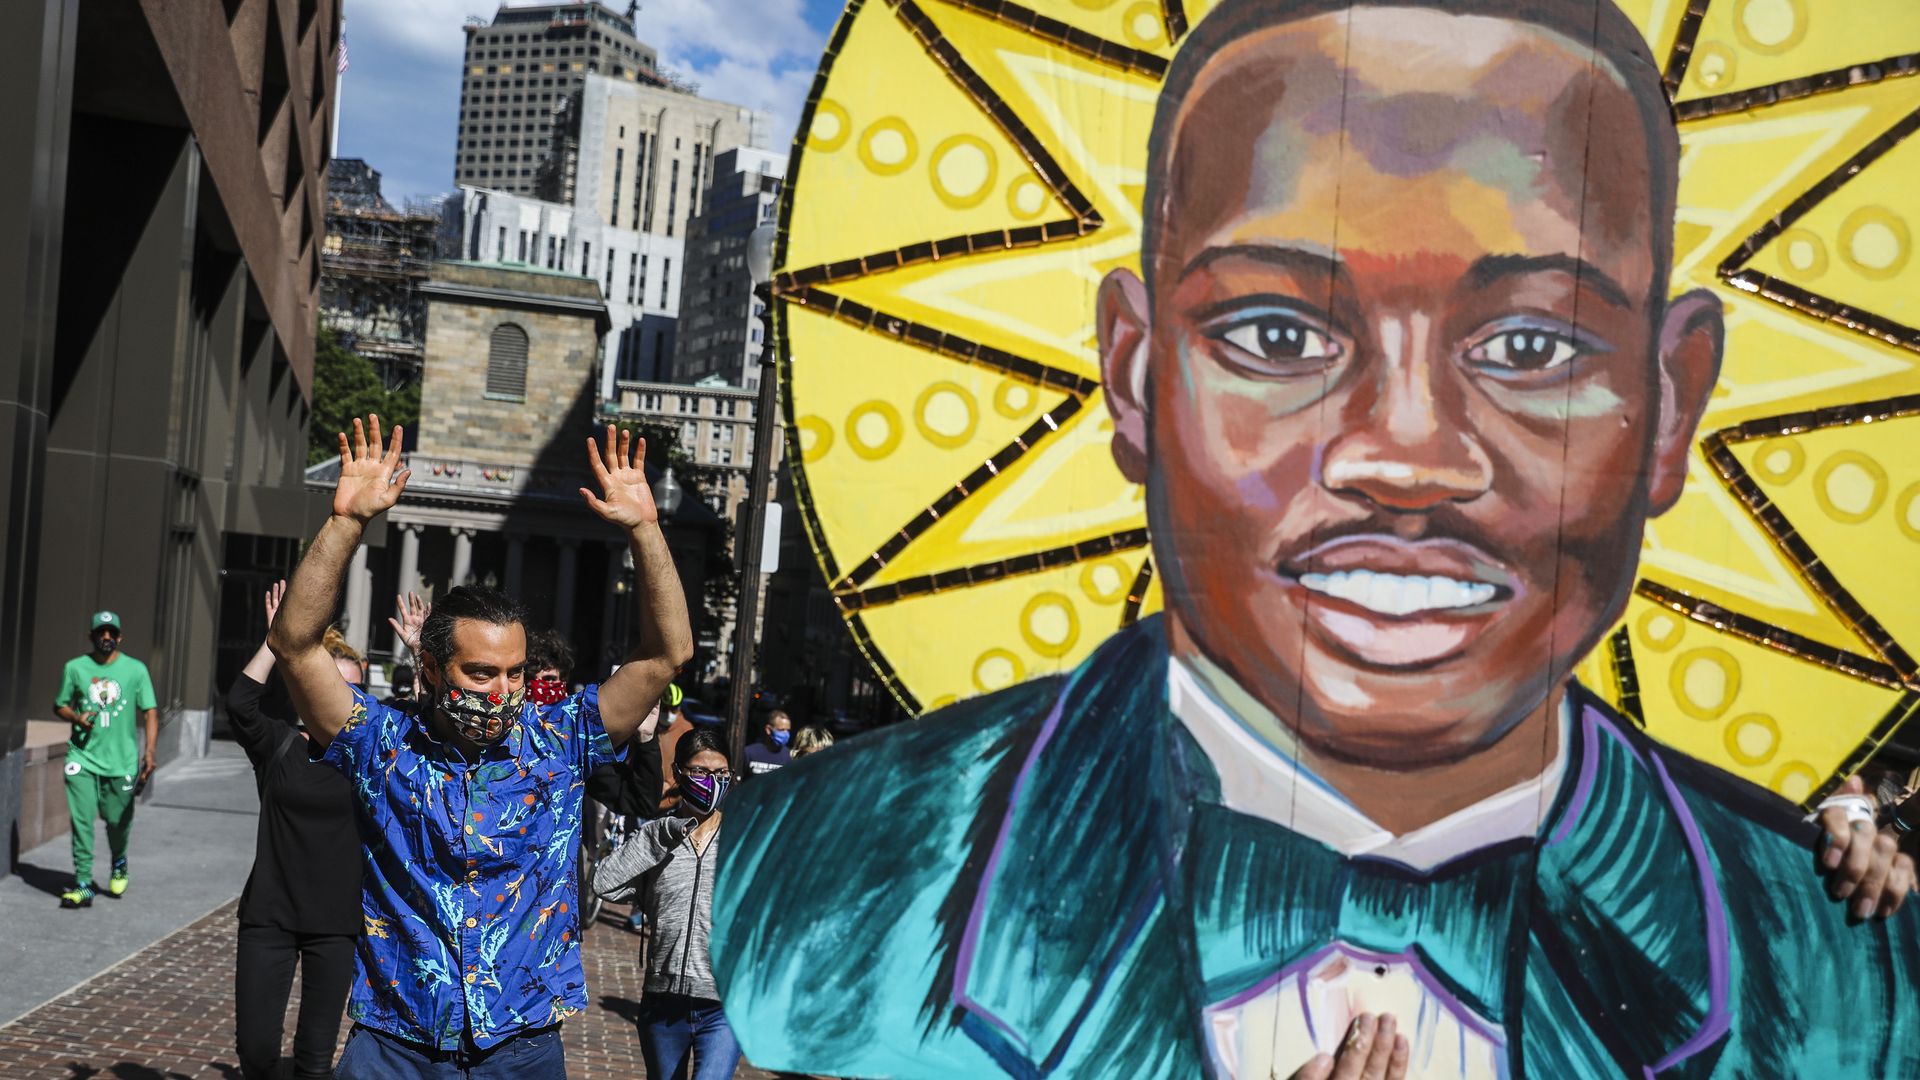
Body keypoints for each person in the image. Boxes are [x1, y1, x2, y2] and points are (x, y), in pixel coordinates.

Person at [710, 3, 1920, 1077]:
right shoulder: (821, 897)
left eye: (1532, 347)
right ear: (1134, 374)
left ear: (1671, 402)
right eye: (1280, 337)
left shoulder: (1845, 971)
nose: (1406, 459)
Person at [267, 417, 691, 1079]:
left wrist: (645, 530)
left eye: (515, 673)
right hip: (397, 1046)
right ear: (432, 669)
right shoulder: (381, 743)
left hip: (522, 1048)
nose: (502, 691)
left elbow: (667, 653)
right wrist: (347, 522)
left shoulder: (561, 739)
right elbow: (294, 643)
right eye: (481, 673)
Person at [227, 581, 362, 1080]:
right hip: (270, 916)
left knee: (314, 1059)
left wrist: (421, 659)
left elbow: (429, 729)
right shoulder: (279, 745)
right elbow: (240, 703)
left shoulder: (372, 756)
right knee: (256, 1050)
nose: (343, 699)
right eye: (333, 685)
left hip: (337, 923)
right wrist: (277, 641)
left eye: (354, 691)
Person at [593, 728, 745, 1080]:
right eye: (700, 771)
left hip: (723, 1004)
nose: (712, 781)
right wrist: (658, 837)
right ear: (678, 773)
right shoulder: (657, 835)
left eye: (721, 773)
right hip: (663, 999)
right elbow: (603, 882)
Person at [52, 610, 159, 909]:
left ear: (120, 637)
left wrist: (150, 751)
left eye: (112, 633)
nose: (106, 637)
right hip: (82, 757)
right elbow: (59, 705)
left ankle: (119, 860)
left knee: (116, 822)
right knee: (81, 820)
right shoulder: (75, 667)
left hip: (121, 761)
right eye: (101, 632)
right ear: (92, 636)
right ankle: (83, 883)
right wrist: (76, 717)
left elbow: (150, 711)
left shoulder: (136, 670)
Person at [740, 709, 792, 779]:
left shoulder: (788, 755)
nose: (786, 734)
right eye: (781, 730)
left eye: (788, 730)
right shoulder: (749, 753)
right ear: (768, 730)